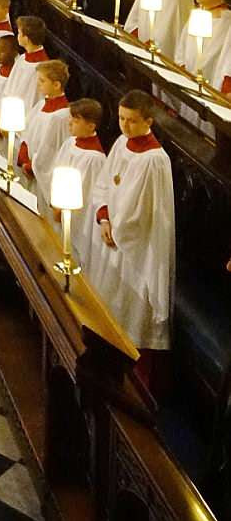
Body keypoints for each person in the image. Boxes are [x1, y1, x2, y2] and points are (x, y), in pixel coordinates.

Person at [90, 90, 175, 354]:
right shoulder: (120, 143)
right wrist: (104, 219)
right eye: (121, 119)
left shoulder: (155, 160)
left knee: (127, 312)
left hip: (136, 247)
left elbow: (143, 213)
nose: (125, 125)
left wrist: (118, 229)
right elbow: (104, 182)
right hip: (112, 233)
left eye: (132, 120)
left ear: (149, 121)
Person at [51, 98, 105, 278]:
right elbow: (58, 170)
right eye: (70, 119)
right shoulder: (70, 143)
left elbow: (88, 195)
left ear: (91, 126)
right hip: (59, 207)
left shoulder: (95, 158)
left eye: (75, 121)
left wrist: (65, 209)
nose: (69, 123)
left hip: (76, 219)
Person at [17, 60, 71, 212]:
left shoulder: (61, 116)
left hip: (41, 176)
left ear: (56, 85)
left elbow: (53, 152)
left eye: (42, 81)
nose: (38, 84)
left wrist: (32, 166)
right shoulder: (41, 105)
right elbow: (27, 132)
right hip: (30, 166)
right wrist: (23, 153)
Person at [172, 0, 231, 79]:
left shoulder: (226, 22)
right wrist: (182, 66)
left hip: (207, 81)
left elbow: (212, 57)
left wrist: (194, 75)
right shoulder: (197, 14)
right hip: (186, 78)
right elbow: (182, 46)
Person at [7, 14, 51, 115]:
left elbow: (32, 98)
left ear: (26, 38)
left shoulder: (42, 67)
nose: (17, 36)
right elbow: (11, 88)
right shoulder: (22, 59)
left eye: (19, 33)